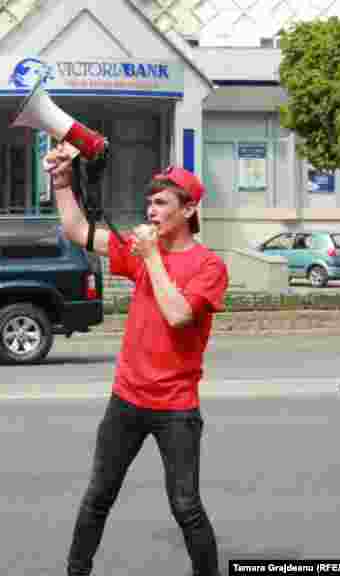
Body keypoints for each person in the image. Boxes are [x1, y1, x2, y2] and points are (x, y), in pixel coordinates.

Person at [45, 144, 227, 576]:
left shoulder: (209, 266)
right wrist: (63, 182)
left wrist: (151, 259)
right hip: (126, 401)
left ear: (189, 209)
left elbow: (179, 314)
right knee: (98, 496)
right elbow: (76, 229)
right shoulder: (143, 249)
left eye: (162, 202)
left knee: (186, 506)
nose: (151, 209)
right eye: (150, 201)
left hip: (176, 408)